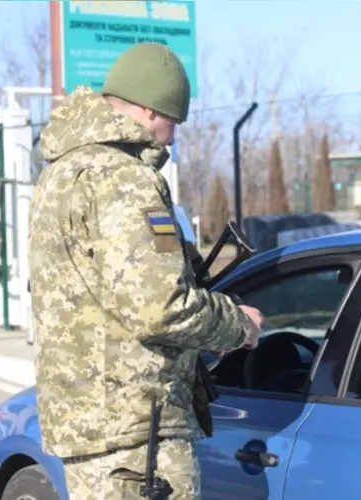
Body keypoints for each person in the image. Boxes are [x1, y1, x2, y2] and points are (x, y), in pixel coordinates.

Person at [28, 42, 265, 500]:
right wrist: (239, 325)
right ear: (148, 107)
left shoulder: (60, 174)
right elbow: (159, 306)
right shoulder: (123, 178)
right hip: (139, 432)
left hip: (90, 422)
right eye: (172, 120)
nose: (172, 138)